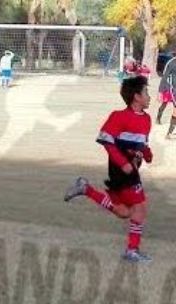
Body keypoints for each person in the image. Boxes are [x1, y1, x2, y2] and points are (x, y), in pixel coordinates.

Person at [64, 76, 153, 262]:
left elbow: (141, 144)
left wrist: (147, 153)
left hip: (132, 169)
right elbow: (107, 143)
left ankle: (85, 189)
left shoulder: (147, 119)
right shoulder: (118, 116)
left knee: (124, 212)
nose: (149, 96)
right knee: (140, 209)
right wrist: (124, 164)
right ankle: (132, 251)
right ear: (136, 97)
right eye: (146, 92)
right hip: (120, 170)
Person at [156, 52, 176, 131]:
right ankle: (158, 118)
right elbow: (164, 77)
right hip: (169, 88)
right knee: (164, 103)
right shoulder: (171, 63)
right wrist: (160, 91)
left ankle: (170, 132)